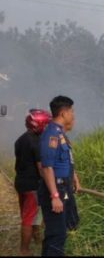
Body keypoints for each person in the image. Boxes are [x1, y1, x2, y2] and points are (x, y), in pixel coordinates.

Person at [38, 96, 81, 256]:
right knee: (57, 234)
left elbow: (66, 161)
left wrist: (74, 178)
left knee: (61, 230)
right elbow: (47, 167)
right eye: (71, 111)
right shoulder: (51, 135)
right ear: (63, 113)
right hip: (56, 188)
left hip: (63, 186)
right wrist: (54, 196)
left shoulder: (60, 134)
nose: (73, 115)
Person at [14, 109, 51, 255]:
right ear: (39, 124)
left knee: (29, 214)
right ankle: (24, 250)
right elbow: (41, 168)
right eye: (45, 124)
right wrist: (50, 184)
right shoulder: (36, 142)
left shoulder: (20, 139)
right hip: (32, 185)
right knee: (29, 218)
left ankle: (36, 239)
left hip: (20, 182)